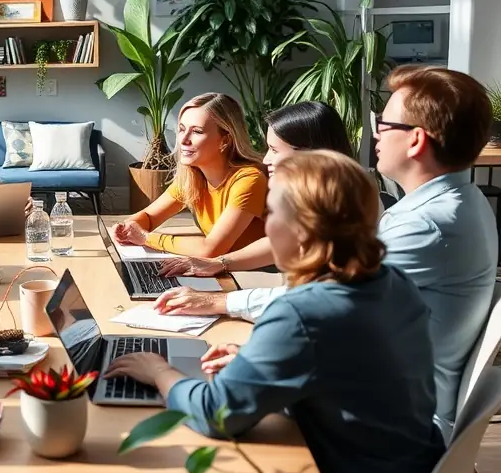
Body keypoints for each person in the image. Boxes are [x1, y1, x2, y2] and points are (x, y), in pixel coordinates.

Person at [106, 151, 444, 473]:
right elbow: (343, 362)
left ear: (302, 231)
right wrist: (257, 360)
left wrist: (159, 370)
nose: (265, 226)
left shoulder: (303, 311)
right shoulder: (392, 283)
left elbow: (216, 414)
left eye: (272, 214)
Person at [192, 66, 497, 437]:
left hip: (386, 426)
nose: (376, 134)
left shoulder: (425, 226)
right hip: (381, 394)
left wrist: (226, 307)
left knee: (207, 422)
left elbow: (325, 308)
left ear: (416, 141)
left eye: (384, 125)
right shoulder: (455, 203)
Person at [152, 101, 356, 315]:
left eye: (275, 150)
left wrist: (215, 301)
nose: (266, 158)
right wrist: (219, 264)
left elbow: (312, 299)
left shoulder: (346, 213)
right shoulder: (317, 198)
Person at [114, 93, 267, 257]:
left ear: (225, 141)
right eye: (181, 129)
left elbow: (210, 249)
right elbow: (150, 217)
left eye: (197, 131)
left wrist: (146, 238)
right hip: (226, 267)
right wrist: (128, 227)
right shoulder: (192, 178)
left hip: (268, 274)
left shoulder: (249, 180)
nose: (184, 140)